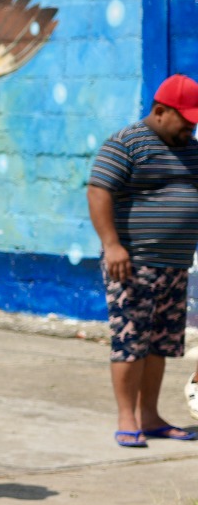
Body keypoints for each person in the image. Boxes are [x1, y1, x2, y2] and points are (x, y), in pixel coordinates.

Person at [87, 74, 198, 447]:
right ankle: (127, 417)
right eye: (186, 119)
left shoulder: (190, 148)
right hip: (134, 263)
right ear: (161, 111)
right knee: (131, 343)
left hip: (175, 264)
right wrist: (112, 244)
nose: (191, 126)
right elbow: (99, 191)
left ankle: (150, 416)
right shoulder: (126, 143)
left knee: (160, 344)